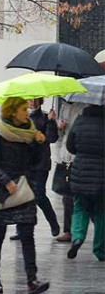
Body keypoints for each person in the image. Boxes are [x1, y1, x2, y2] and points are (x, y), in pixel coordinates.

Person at [0, 97, 50, 294]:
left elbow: (34, 162)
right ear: (12, 112)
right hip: (2, 190)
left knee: (27, 233)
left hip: (23, 188)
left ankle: (32, 280)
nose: (27, 112)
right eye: (23, 109)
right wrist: (5, 180)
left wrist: (40, 143)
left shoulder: (29, 132)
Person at [11, 98, 60, 240]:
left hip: (40, 164)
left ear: (40, 101)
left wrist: (51, 122)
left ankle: (53, 223)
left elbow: (51, 138)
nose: (32, 102)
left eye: (35, 99)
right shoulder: (20, 117)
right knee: (22, 197)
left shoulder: (45, 117)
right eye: (29, 99)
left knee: (39, 195)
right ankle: (21, 229)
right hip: (24, 163)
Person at [65, 104, 105, 261]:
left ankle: (78, 237)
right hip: (101, 174)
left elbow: (70, 146)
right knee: (101, 212)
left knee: (80, 207)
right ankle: (100, 250)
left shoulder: (80, 120)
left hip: (80, 171)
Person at [52, 100, 86, 243]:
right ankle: (68, 230)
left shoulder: (86, 108)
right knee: (67, 196)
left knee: (84, 197)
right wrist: (58, 126)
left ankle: (79, 230)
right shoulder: (65, 107)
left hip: (80, 157)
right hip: (65, 156)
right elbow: (59, 136)